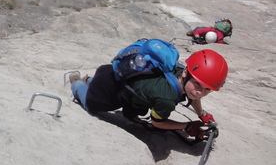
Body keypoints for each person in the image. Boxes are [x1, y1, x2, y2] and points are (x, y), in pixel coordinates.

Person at [69, 49, 228, 139]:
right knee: (91, 105)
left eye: (207, 89)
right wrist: (186, 126)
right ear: (186, 73)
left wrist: (201, 114)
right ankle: (77, 82)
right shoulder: (167, 98)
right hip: (107, 91)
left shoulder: (179, 70)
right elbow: (157, 122)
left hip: (111, 72)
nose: (200, 92)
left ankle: (89, 80)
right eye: (198, 85)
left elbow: (195, 95)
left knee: (102, 85)